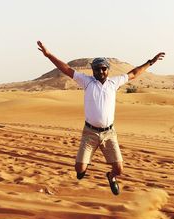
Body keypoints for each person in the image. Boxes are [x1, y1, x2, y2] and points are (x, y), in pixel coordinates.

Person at [37, 41, 165, 195]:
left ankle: (110, 177)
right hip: (90, 133)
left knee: (119, 169)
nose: (101, 71)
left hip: (109, 133)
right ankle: (84, 164)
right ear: (93, 71)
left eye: (104, 68)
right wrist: (49, 55)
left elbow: (134, 73)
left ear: (108, 70)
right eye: (97, 69)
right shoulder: (87, 82)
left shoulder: (114, 83)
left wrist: (151, 62)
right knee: (79, 169)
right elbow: (66, 69)